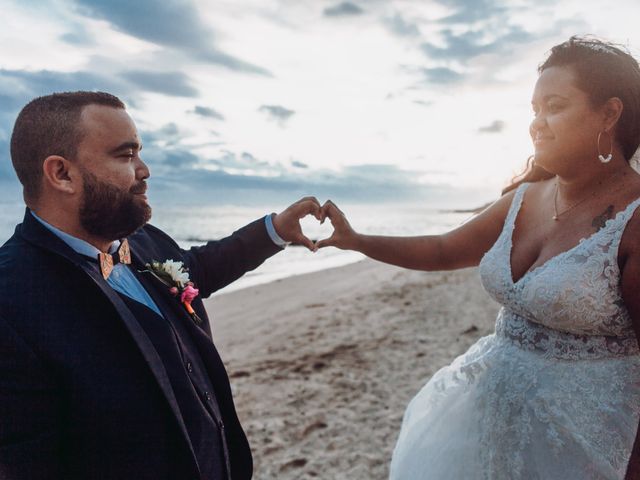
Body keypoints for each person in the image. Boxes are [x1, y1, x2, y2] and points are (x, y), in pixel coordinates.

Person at [317, 36, 640, 479]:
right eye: (534, 109)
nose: (537, 124)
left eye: (555, 106)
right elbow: (443, 249)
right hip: (481, 427)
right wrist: (356, 239)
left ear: (609, 113)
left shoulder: (634, 219)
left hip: (586, 448)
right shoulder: (524, 199)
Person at [0, 91, 322, 479]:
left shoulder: (144, 240)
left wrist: (274, 232)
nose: (145, 170)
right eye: (126, 155)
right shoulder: (11, 300)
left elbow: (197, 268)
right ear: (62, 174)